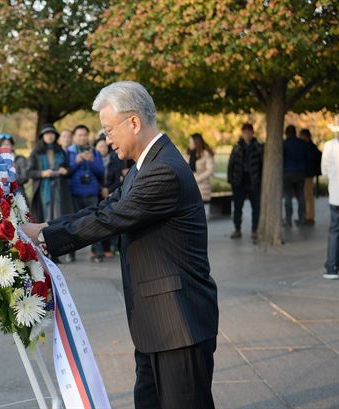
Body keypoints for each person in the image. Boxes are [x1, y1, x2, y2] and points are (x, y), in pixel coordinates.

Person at [22, 81, 219, 409]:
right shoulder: (145, 165)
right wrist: (45, 226)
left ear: (134, 122)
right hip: (156, 323)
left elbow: (110, 218)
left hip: (178, 324)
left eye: (109, 129)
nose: (106, 138)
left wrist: (44, 238)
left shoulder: (163, 171)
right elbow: (101, 209)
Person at [67, 124, 105, 262]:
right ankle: (71, 253)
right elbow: (66, 172)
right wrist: (76, 162)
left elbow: (101, 172)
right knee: (73, 224)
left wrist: (92, 161)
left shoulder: (95, 152)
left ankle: (97, 252)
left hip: (91, 193)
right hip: (74, 193)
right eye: (79, 135)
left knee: (94, 221)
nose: (82, 138)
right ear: (74, 137)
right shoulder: (69, 152)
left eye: (84, 135)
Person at [27, 124, 73, 224]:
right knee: (45, 216)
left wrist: (65, 171)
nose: (49, 136)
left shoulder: (60, 151)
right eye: (47, 133)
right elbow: (29, 172)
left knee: (60, 216)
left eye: (52, 133)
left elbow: (69, 169)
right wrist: (42, 173)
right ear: (42, 136)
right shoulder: (36, 152)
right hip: (43, 189)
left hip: (60, 188)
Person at [228, 123, 264, 241]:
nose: (247, 134)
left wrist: (261, 180)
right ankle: (237, 229)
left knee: (256, 207)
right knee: (238, 207)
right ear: (242, 133)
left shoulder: (258, 147)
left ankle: (254, 230)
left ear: (252, 133)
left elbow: (262, 165)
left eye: (249, 132)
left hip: (254, 181)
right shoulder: (237, 147)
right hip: (239, 181)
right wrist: (231, 179)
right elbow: (231, 164)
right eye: (245, 132)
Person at [94, 136, 123, 258]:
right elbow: (93, 177)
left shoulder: (114, 160)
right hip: (97, 193)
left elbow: (117, 178)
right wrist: (101, 189)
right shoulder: (93, 160)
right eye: (99, 146)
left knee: (110, 218)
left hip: (111, 193)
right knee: (96, 219)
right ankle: (97, 249)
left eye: (104, 146)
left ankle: (111, 247)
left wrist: (110, 190)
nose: (102, 149)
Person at [322, 134, 339, 280]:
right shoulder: (329, 145)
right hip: (336, 195)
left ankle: (332, 267)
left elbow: (325, 170)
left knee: (335, 231)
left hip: (336, 194)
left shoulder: (329, 146)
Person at [283, 124, 309, 227]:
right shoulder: (302, 143)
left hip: (287, 172)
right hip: (300, 172)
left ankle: (288, 220)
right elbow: (306, 157)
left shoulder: (284, 143)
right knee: (301, 196)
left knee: (288, 197)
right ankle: (302, 218)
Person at [186, 133, 214, 213]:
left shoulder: (206, 154)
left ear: (196, 142)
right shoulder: (189, 154)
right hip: (190, 186)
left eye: (191, 142)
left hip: (202, 187)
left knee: (201, 213)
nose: (189, 144)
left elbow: (210, 170)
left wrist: (197, 179)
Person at [300, 128, 322, 225]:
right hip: (307, 173)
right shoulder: (310, 147)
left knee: (308, 195)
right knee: (307, 195)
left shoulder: (309, 147)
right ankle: (307, 215)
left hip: (307, 174)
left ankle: (309, 216)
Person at [0, 133, 29, 199]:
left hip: (18, 195)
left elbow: (25, 178)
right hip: (1, 196)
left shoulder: (20, 159)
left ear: (12, 146)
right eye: (3, 144)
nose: (5, 146)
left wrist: (11, 176)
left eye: (7, 144)